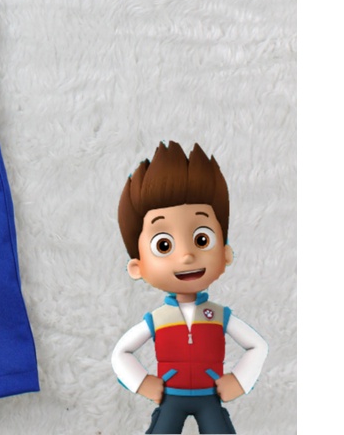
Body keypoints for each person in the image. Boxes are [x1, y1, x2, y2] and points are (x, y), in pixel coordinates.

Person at [112, 141, 267, 433]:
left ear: (225, 254)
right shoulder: (157, 319)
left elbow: (257, 345)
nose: (186, 256)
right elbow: (121, 352)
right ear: (137, 267)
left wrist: (239, 380)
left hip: (210, 396)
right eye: (164, 245)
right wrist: (142, 382)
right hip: (171, 396)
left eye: (201, 239)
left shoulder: (219, 315)